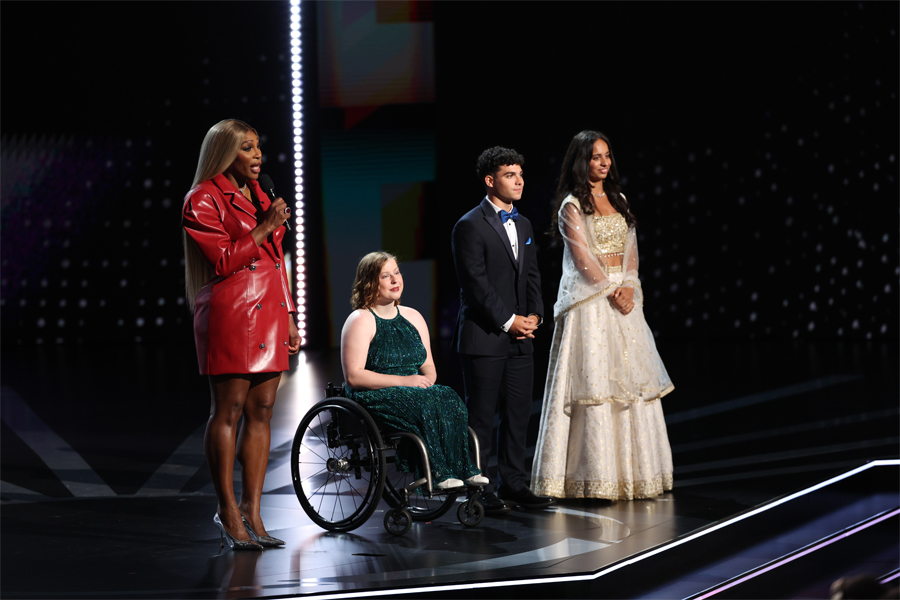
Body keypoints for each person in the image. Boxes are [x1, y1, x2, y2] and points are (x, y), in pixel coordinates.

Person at [530, 130, 674, 501]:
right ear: (583, 161)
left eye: (607, 155)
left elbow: (631, 251)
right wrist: (612, 291)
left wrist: (629, 286)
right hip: (591, 305)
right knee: (595, 387)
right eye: (596, 157)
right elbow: (581, 259)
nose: (604, 162)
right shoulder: (571, 206)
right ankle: (594, 477)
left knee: (629, 386)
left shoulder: (618, 199)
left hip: (623, 300)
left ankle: (635, 476)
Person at [182, 119, 300, 550]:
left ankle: (253, 511)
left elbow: (275, 261)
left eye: (258, 148)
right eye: (247, 148)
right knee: (228, 409)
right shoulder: (202, 198)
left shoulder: (262, 194)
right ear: (225, 152)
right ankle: (227, 510)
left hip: (270, 309)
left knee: (263, 409)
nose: (257, 156)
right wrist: (266, 225)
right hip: (231, 312)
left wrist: (289, 313)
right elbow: (223, 260)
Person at [451, 147, 553, 514]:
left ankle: (515, 482)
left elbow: (532, 277)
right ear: (490, 181)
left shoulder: (523, 224)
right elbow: (475, 284)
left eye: (521, 174)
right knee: (480, 417)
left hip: (521, 337)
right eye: (511, 175)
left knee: (518, 412)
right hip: (486, 336)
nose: (519, 180)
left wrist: (535, 317)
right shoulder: (469, 225)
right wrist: (510, 321)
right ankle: (480, 488)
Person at [341, 251, 487, 490]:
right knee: (422, 404)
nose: (395, 280)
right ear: (370, 283)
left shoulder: (413, 316)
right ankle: (437, 473)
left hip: (412, 387)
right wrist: (405, 381)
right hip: (373, 393)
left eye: (396, 273)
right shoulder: (361, 319)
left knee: (449, 397)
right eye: (386, 276)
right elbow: (354, 376)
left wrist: (427, 380)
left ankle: (464, 469)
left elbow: (428, 365)